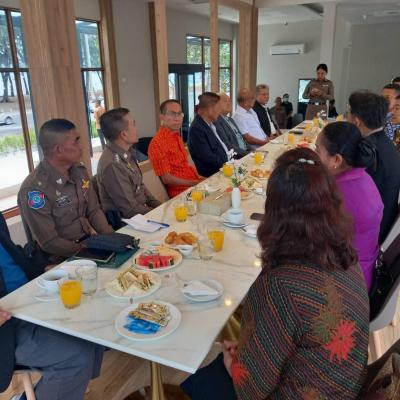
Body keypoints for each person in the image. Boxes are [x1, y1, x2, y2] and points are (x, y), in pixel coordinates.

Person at [181, 148, 369, 400]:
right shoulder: (346, 257)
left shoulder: (280, 286)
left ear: (274, 210)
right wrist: (251, 349)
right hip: (346, 386)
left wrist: (234, 363)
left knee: (200, 382)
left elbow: (249, 390)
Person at [0, 212, 104, 400]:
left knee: (94, 319)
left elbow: (13, 255)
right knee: (76, 356)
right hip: (6, 327)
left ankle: (68, 386)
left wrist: (43, 267)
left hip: (26, 298)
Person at [18, 119, 113, 263]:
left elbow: (94, 210)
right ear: (59, 150)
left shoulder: (79, 171)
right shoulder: (35, 190)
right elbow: (49, 242)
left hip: (88, 244)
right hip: (59, 259)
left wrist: (111, 238)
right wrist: (86, 250)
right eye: (76, 142)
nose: (82, 146)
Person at [315, 121, 383, 292]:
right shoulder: (363, 177)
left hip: (345, 285)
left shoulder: (338, 195)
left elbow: (312, 241)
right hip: (364, 269)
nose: (315, 158)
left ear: (336, 160)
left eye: (317, 151)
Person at [348, 91, 400, 244]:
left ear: (356, 120)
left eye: (348, 113)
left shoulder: (367, 152)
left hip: (369, 235)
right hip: (384, 222)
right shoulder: (385, 142)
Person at [96, 108, 160, 224]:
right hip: (128, 224)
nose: (137, 128)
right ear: (124, 134)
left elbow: (140, 186)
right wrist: (158, 214)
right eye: (133, 124)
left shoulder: (128, 153)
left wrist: (160, 207)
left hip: (142, 215)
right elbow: (130, 210)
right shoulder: (113, 165)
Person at [148, 100, 203, 198]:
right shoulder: (157, 143)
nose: (177, 118)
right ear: (162, 117)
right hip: (182, 194)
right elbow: (167, 179)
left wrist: (201, 180)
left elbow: (184, 167)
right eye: (172, 114)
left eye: (179, 114)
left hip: (194, 185)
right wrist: (195, 183)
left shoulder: (176, 136)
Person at [187, 92, 228, 177]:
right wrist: (228, 165)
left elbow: (223, 145)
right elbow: (208, 158)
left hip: (225, 168)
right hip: (213, 175)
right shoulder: (196, 129)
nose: (219, 112)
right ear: (210, 109)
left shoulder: (211, 124)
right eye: (218, 109)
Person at [214, 92, 250, 159]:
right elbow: (227, 145)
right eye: (225, 101)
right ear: (216, 104)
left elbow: (242, 138)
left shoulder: (231, 120)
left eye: (229, 101)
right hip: (236, 157)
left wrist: (251, 150)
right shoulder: (216, 121)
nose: (229, 103)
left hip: (245, 153)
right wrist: (248, 154)